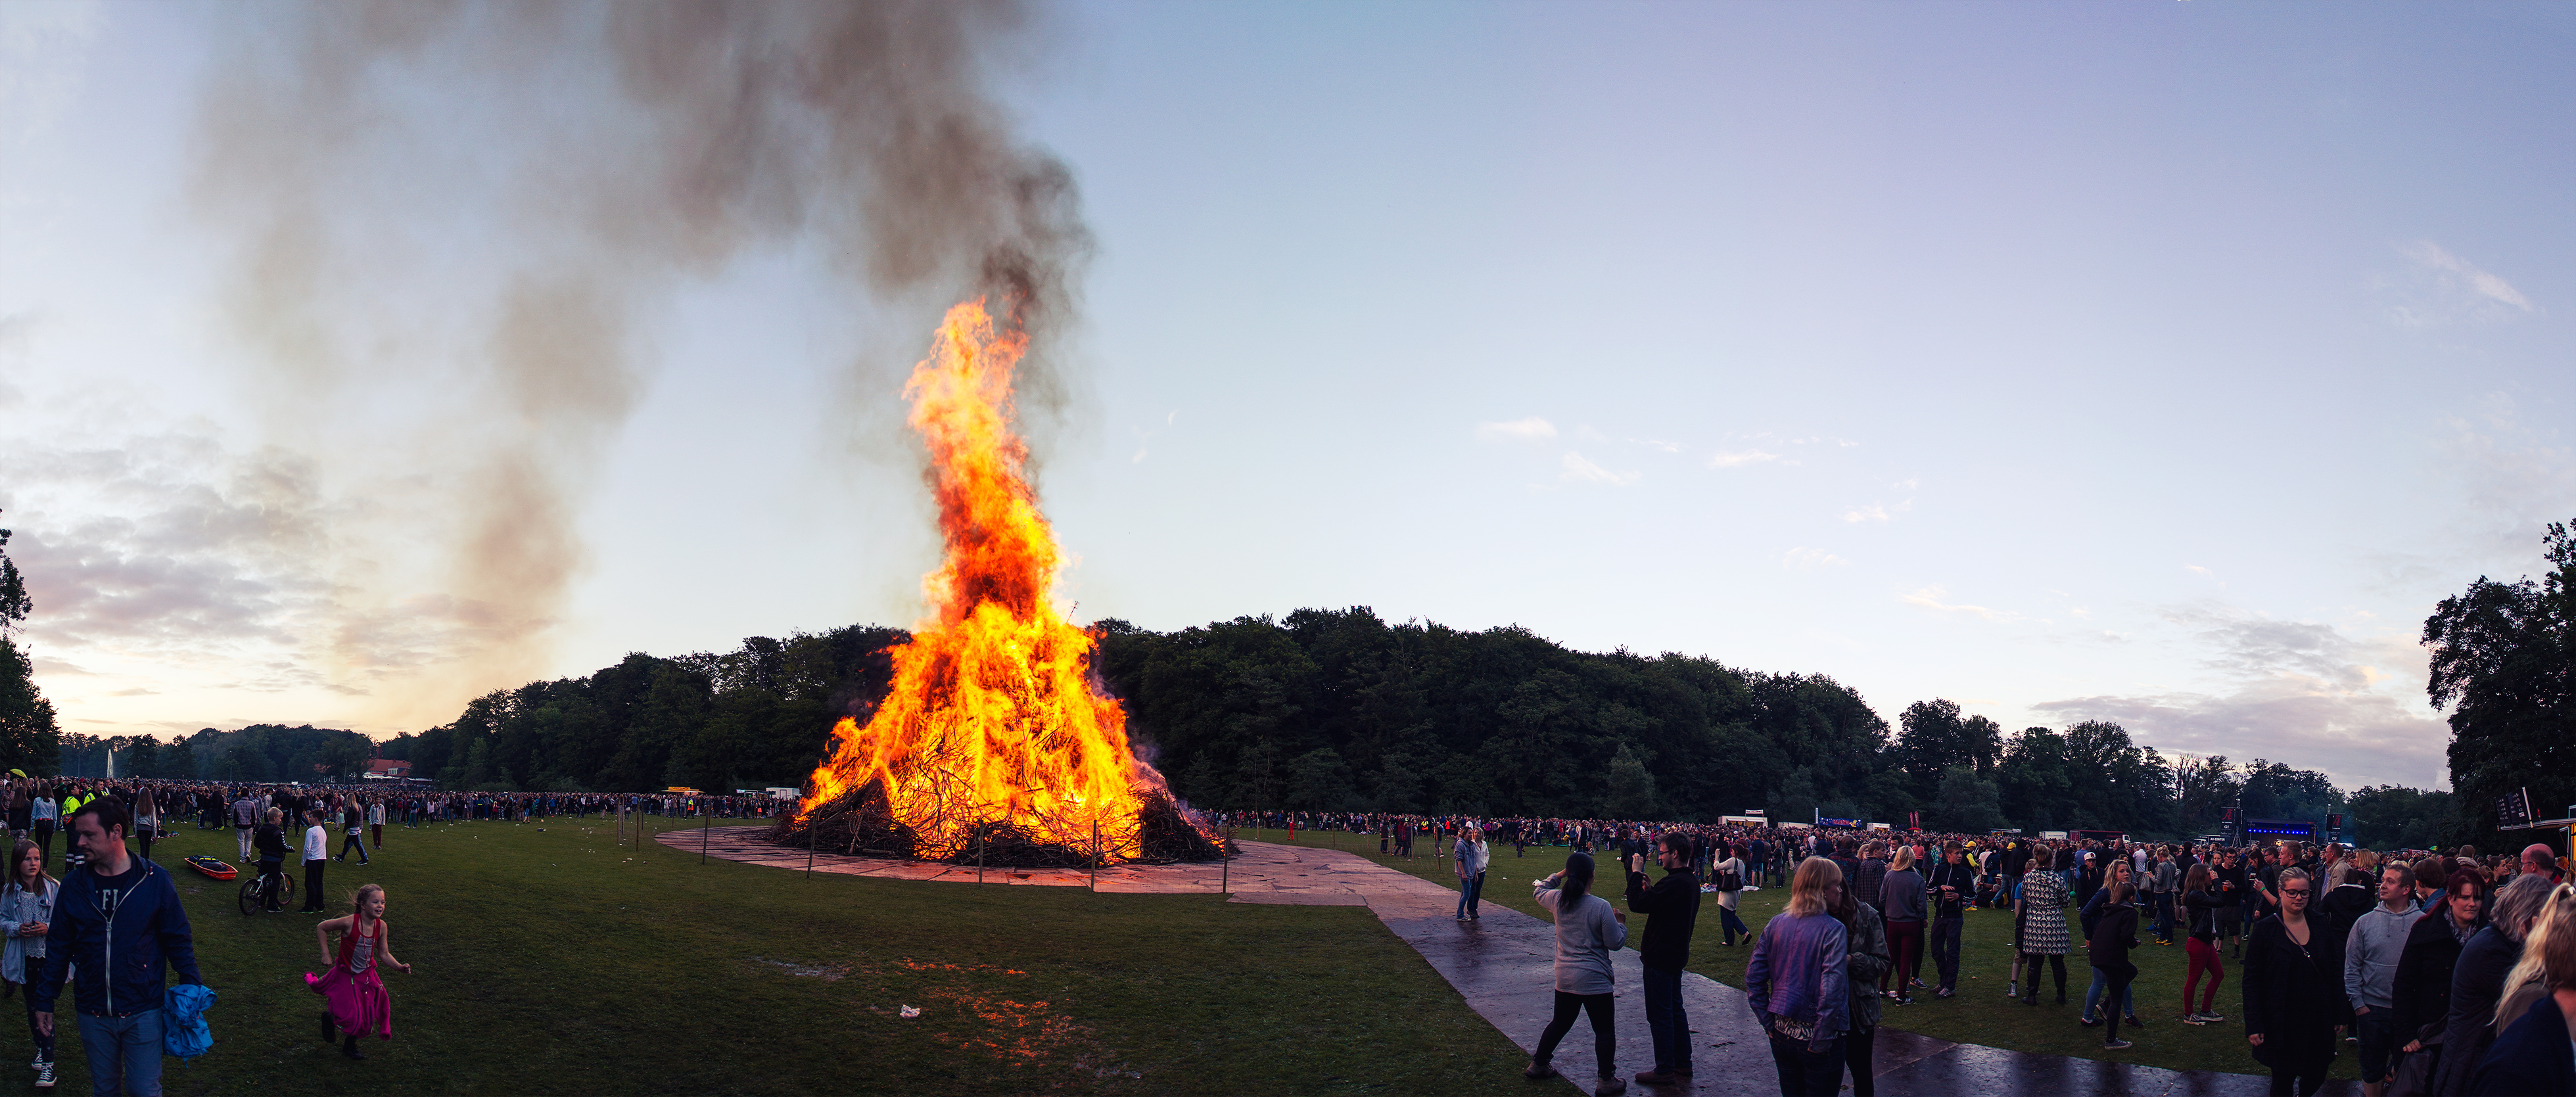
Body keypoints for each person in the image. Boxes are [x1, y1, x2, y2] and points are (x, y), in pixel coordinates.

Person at [32, 799, 204, 1097]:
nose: (79, 841)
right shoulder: (73, 886)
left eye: (89, 835)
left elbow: (177, 937)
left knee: (144, 1090)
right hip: (93, 1010)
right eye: (78, 834)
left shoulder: (154, 880)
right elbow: (59, 945)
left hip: (144, 1009)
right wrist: (45, 999)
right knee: (105, 1089)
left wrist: (192, 986)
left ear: (116, 832)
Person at [2435, 874, 2558, 1097]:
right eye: (2546, 918)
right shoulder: (2492, 952)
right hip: (2471, 1066)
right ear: (2527, 917)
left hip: (2475, 1060)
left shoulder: (2497, 941)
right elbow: (2531, 999)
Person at [1526, 853, 1629, 1095]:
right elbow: (1615, 943)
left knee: (1560, 1022)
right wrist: (1621, 923)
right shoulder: (1601, 907)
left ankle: (1538, 1064)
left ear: (1569, 875)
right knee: (1604, 1030)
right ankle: (1606, 1080)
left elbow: (1539, 889)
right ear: (1593, 875)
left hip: (1565, 976)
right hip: (1595, 979)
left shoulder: (1558, 900)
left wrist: (1559, 875)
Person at [1746, 857, 1849, 1097]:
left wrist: (1768, 1022)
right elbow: (1831, 992)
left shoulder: (1777, 923)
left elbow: (1753, 978)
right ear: (1823, 891)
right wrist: (1821, 1040)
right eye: (1837, 885)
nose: (1841, 890)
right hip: (1817, 1041)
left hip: (1782, 1033)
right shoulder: (1833, 930)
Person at [2244, 867, 2340, 1096]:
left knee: (2317, 1071)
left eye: (2304, 893)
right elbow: (2252, 980)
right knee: (2282, 1077)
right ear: (2281, 892)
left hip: (2317, 1016)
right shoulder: (2266, 930)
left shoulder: (2320, 924)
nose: (2299, 898)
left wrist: (2339, 1013)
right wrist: (2254, 1023)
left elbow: (2335, 971)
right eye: (2293, 893)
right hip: (2281, 1017)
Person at [2392, 872, 2485, 1085]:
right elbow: (2404, 984)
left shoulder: (2489, 935)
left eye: (2477, 898)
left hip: (2471, 1036)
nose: (2472, 904)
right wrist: (2407, 1033)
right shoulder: (2426, 929)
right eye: (2466, 897)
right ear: (2451, 898)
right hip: (2429, 1031)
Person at [1625, 833, 1700, 1086]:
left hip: (1661, 956)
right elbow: (1660, 904)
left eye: (1663, 852)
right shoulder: (1687, 881)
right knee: (1675, 1010)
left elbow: (1636, 904)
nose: (1659, 856)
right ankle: (1682, 1063)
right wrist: (1652, 889)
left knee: (1660, 1014)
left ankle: (1665, 1068)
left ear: (1675, 854)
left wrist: (1635, 874)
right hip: (1675, 955)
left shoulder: (1676, 883)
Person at [2346, 863, 2426, 1097]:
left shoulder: (2422, 923)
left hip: (2408, 1011)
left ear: (2406, 889)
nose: (2382, 885)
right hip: (2372, 1009)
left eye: (2390, 881)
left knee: (2406, 1067)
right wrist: (2358, 1005)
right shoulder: (2365, 923)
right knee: (2372, 1067)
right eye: (2383, 880)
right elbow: (2352, 965)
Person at [310, 883, 412, 1060]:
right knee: (351, 1013)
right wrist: (325, 954)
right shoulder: (350, 922)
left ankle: (350, 1046)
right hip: (346, 975)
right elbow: (322, 927)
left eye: (383, 902)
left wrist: (399, 967)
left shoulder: (381, 926)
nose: (380, 906)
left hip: (366, 976)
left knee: (368, 1012)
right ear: (363, 905)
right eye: (375, 902)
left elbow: (384, 954)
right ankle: (330, 1019)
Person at [1827, 864, 1890, 1097]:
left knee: (1862, 1072)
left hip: (1859, 1009)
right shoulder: (1815, 917)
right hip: (1825, 1009)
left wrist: (1852, 960)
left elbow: (1882, 962)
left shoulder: (1867, 915)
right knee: (1825, 1076)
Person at [2, 838, 58, 1088]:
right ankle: (40, 1048)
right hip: (24, 958)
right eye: (28, 859)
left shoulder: (52, 887)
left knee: (43, 1008)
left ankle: (48, 1064)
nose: (33, 863)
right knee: (31, 1007)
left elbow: (65, 921)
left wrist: (48, 928)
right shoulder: (9, 892)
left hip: (46, 958)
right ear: (17, 862)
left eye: (36, 858)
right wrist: (16, 928)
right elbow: (3, 920)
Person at [2015, 847, 2073, 1006]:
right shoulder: (2058, 879)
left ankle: (2032, 995)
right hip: (2055, 924)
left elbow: (2026, 897)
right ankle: (2061, 995)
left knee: (2034, 961)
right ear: (2050, 860)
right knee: (2058, 962)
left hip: (2035, 923)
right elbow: (2066, 902)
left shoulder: (2028, 879)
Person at [2092, 879, 2142, 1050]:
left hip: (2100, 952)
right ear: (2130, 897)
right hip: (2111, 957)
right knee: (2117, 999)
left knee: (2131, 971)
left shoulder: (2111, 909)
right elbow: (2126, 936)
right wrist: (2134, 943)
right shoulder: (2129, 912)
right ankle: (2111, 1040)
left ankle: (2105, 1004)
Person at [2182, 862, 2232, 1024]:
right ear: (2201, 877)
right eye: (2208, 873)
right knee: (2193, 979)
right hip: (2198, 941)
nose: (2211, 875)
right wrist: (2217, 882)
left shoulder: (2198, 893)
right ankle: (2188, 1014)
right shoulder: (2195, 895)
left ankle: (2205, 1010)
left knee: (2218, 975)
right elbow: (2219, 901)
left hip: (2205, 940)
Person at [1926, 843, 1974, 998]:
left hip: (1955, 918)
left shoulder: (1966, 873)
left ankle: (1950, 986)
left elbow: (1973, 895)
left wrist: (1959, 896)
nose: (1960, 856)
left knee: (1952, 953)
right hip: (1939, 916)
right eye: (1957, 853)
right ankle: (1943, 980)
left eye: (1961, 853)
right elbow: (1928, 888)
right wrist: (1941, 888)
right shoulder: (1939, 869)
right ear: (1948, 854)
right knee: (1936, 950)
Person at [1879, 847, 1925, 1004]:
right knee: (1906, 960)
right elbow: (1921, 905)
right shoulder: (1917, 879)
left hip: (1893, 922)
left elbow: (1882, 899)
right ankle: (1901, 995)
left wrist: (1892, 908)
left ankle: (1882, 989)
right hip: (1910, 923)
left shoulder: (1889, 875)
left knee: (1891, 957)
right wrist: (1922, 917)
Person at [1713, 845, 1752, 946]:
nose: (1731, 853)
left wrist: (1717, 857)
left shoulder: (1732, 861)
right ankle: (1745, 933)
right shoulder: (1742, 864)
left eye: (1732, 851)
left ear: (1735, 852)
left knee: (1726, 918)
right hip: (1736, 894)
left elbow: (1717, 867)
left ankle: (1729, 940)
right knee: (1732, 916)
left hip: (1728, 894)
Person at [1453, 825, 1489, 922]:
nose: (1471, 835)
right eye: (1470, 833)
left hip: (1472, 872)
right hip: (1465, 873)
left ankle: (1462, 913)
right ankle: (1460, 915)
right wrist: (1463, 873)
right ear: (1464, 834)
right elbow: (1459, 859)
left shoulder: (1471, 845)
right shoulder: (1461, 845)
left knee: (1466, 893)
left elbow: (1473, 860)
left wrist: (1476, 873)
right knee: (1467, 894)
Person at [299, 808, 331, 914]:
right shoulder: (323, 831)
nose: (309, 819)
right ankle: (319, 904)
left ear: (316, 819)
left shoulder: (311, 831)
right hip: (321, 858)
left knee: (310, 883)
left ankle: (309, 906)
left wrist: (304, 861)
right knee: (318, 882)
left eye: (311, 817)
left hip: (313, 859)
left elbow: (307, 848)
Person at [231, 789, 259, 864]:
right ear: (248, 795)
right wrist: (254, 824)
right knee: (249, 840)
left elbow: (234, 815)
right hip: (249, 825)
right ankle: (247, 853)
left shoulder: (237, 804)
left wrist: (235, 823)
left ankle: (243, 858)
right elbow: (254, 815)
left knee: (241, 841)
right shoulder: (251, 804)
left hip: (240, 825)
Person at [30, 789, 55, 871]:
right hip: (49, 823)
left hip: (40, 822)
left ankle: (39, 865)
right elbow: (55, 816)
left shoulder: (37, 800)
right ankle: (45, 867)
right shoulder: (52, 801)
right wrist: (54, 828)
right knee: (47, 847)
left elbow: (34, 814)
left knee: (39, 845)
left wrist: (31, 827)